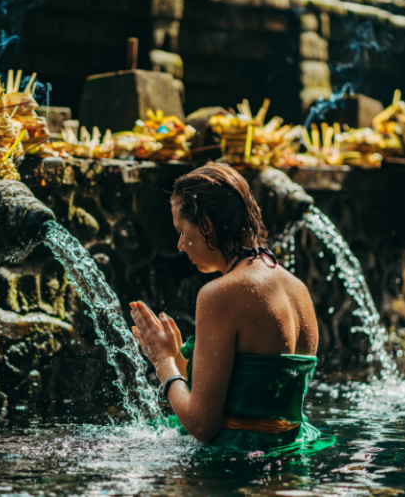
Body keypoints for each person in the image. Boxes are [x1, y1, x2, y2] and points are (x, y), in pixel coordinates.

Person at [129, 162, 332, 452]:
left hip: (237, 467)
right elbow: (249, 394)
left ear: (207, 226)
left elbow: (202, 425)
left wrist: (162, 363)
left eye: (181, 230)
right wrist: (178, 358)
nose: (179, 245)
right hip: (291, 455)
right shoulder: (298, 289)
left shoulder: (219, 294)